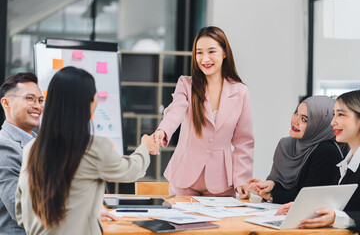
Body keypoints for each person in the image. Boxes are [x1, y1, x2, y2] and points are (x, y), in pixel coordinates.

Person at [15, 66, 159, 234]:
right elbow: (131, 170)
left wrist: (87, 212)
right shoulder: (93, 147)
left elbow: (21, 212)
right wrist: (145, 147)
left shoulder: (31, 148)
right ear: (88, 103)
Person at [153, 26, 254, 197]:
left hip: (221, 182)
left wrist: (241, 180)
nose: (205, 58)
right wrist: (163, 130)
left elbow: (243, 141)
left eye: (211, 51)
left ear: (224, 53)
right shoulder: (186, 85)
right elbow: (175, 111)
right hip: (185, 177)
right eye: (199, 53)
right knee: (180, 223)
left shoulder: (240, 91)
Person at [276, 89, 360, 233]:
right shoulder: (347, 163)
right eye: (334, 115)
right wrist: (307, 209)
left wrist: (338, 217)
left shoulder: (331, 153)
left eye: (341, 115)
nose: (333, 122)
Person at [247, 96, 344, 204]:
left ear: (319, 125)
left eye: (304, 119)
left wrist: (271, 195)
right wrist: (270, 185)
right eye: (296, 113)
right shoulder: (286, 145)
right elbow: (285, 186)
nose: (295, 121)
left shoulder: (327, 151)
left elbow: (308, 197)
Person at [0, 72, 43, 235]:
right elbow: (22, 213)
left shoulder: (39, 142)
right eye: (29, 99)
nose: (38, 106)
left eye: (40, 100)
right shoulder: (4, 146)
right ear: (6, 103)